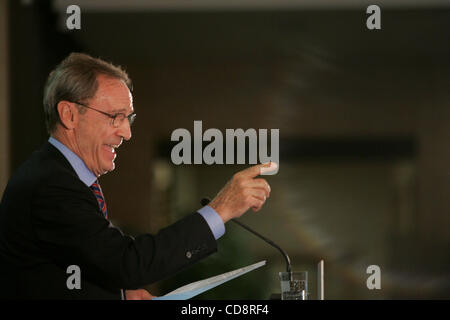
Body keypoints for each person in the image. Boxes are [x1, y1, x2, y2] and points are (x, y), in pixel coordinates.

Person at [0, 53, 273, 300]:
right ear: (69, 114)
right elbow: (127, 263)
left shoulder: (57, 175)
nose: (126, 133)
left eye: (127, 119)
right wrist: (220, 209)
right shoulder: (52, 185)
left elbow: (78, 269)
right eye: (114, 117)